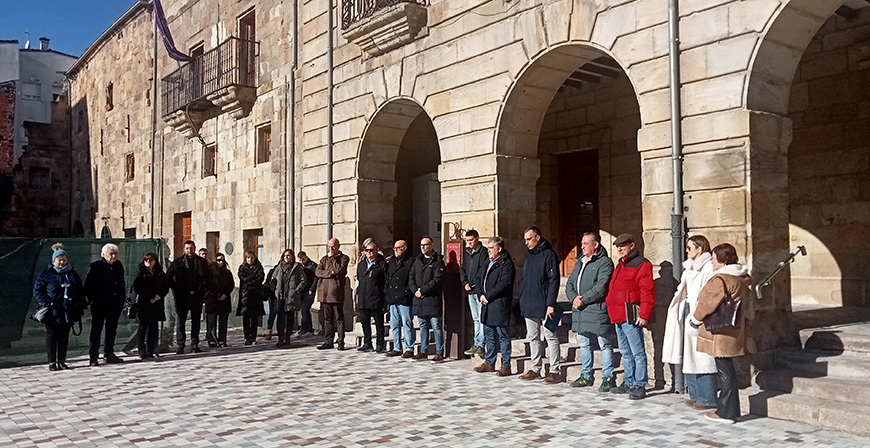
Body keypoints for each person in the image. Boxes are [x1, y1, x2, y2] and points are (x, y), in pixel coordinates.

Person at [690, 243, 754, 424]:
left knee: (724, 371)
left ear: (723, 260)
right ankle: (731, 410)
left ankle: (726, 413)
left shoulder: (721, 279)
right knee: (728, 370)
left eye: (714, 257)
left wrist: (695, 319)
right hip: (733, 330)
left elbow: (707, 303)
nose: (712, 260)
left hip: (720, 331)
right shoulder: (741, 277)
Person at [663, 235, 717, 410]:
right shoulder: (690, 268)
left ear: (699, 249)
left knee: (703, 357)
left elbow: (708, 293)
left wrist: (698, 315)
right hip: (686, 312)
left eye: (689, 248)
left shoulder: (707, 267)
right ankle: (695, 394)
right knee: (688, 355)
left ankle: (707, 397)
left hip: (699, 315)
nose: (687, 251)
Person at [606, 233, 655, 400]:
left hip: (631, 315)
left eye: (623, 246)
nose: (619, 249)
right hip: (618, 315)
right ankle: (628, 382)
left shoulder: (642, 264)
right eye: (618, 246)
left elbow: (647, 291)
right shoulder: (620, 264)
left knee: (637, 352)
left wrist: (644, 314)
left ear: (632, 245)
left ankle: (639, 385)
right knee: (625, 352)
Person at [567, 232, 616, 391]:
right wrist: (573, 298)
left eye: (586, 243)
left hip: (596, 310)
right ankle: (586, 375)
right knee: (584, 344)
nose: (582, 246)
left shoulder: (604, 262)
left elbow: (601, 286)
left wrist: (584, 299)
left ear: (595, 245)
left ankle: (608, 377)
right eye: (582, 243)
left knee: (604, 344)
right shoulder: (579, 262)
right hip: (580, 311)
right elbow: (570, 284)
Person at [518, 226, 562, 383]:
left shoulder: (548, 255)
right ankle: (535, 367)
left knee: (550, 336)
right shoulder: (528, 255)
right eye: (525, 240)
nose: (526, 243)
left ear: (538, 237)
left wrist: (550, 303)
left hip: (544, 304)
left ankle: (554, 370)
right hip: (529, 302)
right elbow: (524, 278)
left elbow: (554, 280)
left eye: (529, 239)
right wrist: (521, 296)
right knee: (533, 337)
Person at [33, 243, 86, 371]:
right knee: (52, 336)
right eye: (59, 260)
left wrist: (80, 305)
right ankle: (52, 362)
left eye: (64, 259)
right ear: (54, 261)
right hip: (52, 311)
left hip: (68, 311)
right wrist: (46, 302)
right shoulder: (47, 273)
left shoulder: (72, 273)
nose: (61, 262)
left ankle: (62, 360)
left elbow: (79, 289)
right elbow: (37, 290)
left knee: (64, 336)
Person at [474, 236, 516, 376]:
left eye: (491, 248)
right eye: (488, 248)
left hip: (498, 304)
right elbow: (478, 278)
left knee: (502, 336)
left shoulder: (506, 264)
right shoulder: (487, 262)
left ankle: (505, 365)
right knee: (489, 334)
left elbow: (504, 284)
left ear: (499, 249)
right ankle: (490, 362)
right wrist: (481, 294)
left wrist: (488, 296)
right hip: (486, 303)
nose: (488, 251)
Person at [84, 243, 126, 366]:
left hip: (115, 303)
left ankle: (109, 353)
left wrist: (121, 299)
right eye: (110, 254)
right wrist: (93, 299)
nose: (113, 256)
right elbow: (88, 286)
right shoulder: (97, 267)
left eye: (115, 254)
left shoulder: (119, 266)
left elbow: (121, 284)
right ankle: (93, 356)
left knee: (111, 330)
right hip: (100, 304)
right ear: (104, 255)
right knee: (96, 330)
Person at [167, 240, 210, 354]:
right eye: (187, 248)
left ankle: (194, 345)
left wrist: (204, 291)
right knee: (181, 320)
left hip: (197, 295)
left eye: (191, 248)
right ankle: (181, 345)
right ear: (184, 249)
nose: (189, 250)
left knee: (196, 321)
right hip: (182, 296)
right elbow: (168, 277)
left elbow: (209, 278)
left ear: (194, 248)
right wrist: (176, 288)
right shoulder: (178, 262)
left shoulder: (201, 262)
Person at [409, 236, 446, 362]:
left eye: (426, 245)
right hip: (419, 300)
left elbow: (436, 280)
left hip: (432, 299)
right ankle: (423, 350)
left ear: (432, 245)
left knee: (436, 326)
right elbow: (411, 277)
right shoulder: (417, 261)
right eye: (421, 245)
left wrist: (423, 290)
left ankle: (439, 352)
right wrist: (415, 291)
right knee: (423, 326)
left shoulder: (437, 261)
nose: (423, 247)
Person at [132, 253, 169, 359]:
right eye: (146, 259)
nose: (148, 261)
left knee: (153, 327)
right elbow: (137, 287)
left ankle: (151, 349)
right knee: (143, 327)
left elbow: (165, 285)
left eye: (151, 259)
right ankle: (142, 351)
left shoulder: (159, 272)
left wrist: (158, 296)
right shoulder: (140, 272)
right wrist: (151, 296)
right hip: (144, 303)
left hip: (156, 303)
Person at [316, 238, 350, 350]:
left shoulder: (343, 258)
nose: (330, 249)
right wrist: (329, 273)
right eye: (329, 246)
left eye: (333, 246)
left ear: (338, 246)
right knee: (327, 318)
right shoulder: (324, 259)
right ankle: (328, 341)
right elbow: (318, 272)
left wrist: (332, 259)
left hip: (336, 293)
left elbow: (338, 269)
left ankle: (341, 341)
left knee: (339, 318)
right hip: (325, 293)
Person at [460, 229, 489, 358]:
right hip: (470, 290)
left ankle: (481, 344)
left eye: (471, 240)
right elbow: (463, 269)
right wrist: (465, 282)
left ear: (477, 239)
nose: (469, 243)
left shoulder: (483, 253)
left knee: (482, 318)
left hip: (479, 290)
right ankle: (476, 343)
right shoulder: (467, 253)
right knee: (476, 319)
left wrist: (477, 285)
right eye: (467, 241)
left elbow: (483, 270)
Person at [384, 240, 415, 358]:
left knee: (407, 323)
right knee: (394, 324)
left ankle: (409, 347)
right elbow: (387, 278)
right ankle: (397, 347)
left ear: (405, 248)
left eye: (399, 248)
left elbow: (411, 278)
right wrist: (387, 292)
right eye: (395, 248)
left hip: (404, 297)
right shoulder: (391, 261)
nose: (396, 250)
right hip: (393, 297)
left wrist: (406, 291)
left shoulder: (410, 261)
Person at [356, 239, 387, 353]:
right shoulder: (362, 264)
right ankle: (367, 343)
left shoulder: (381, 264)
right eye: (366, 250)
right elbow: (359, 279)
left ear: (376, 250)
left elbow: (385, 281)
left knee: (379, 323)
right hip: (363, 298)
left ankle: (380, 344)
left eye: (371, 250)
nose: (369, 252)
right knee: (365, 323)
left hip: (376, 298)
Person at [275, 249, 308, 348]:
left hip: (291, 296)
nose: (286, 257)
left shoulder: (296, 267)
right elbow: (273, 278)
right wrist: (275, 289)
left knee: (290, 318)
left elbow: (303, 280)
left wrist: (296, 290)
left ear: (292, 256)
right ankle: (280, 338)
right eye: (285, 256)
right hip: (281, 297)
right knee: (280, 318)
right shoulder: (279, 267)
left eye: (288, 255)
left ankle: (287, 337)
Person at [205, 253, 234, 348]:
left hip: (224, 300)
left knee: (223, 321)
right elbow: (209, 284)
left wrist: (225, 294)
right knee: (212, 321)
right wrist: (216, 294)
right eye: (218, 260)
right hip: (213, 299)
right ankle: (212, 339)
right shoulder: (210, 272)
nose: (220, 262)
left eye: (222, 260)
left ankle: (222, 340)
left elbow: (231, 285)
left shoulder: (227, 272)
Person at [237, 250, 266, 345]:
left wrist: (252, 279)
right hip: (245, 295)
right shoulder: (242, 267)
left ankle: (253, 337)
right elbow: (243, 278)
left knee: (254, 318)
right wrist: (253, 278)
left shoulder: (259, 266)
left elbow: (260, 278)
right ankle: (247, 337)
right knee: (246, 317)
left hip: (256, 295)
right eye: (248, 257)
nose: (249, 259)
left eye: (251, 257)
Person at [297, 251, 318, 336]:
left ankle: (309, 329)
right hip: (302, 290)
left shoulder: (313, 265)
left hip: (309, 291)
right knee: (303, 310)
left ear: (306, 257)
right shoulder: (300, 267)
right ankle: (303, 328)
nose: (302, 262)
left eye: (303, 260)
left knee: (305, 309)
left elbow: (316, 278)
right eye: (300, 261)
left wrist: (312, 288)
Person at [263, 258, 282, 341]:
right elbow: (267, 282)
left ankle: (280, 332)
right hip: (273, 295)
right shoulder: (273, 271)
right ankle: (269, 331)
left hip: (282, 295)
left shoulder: (287, 272)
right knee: (273, 313)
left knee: (281, 315)